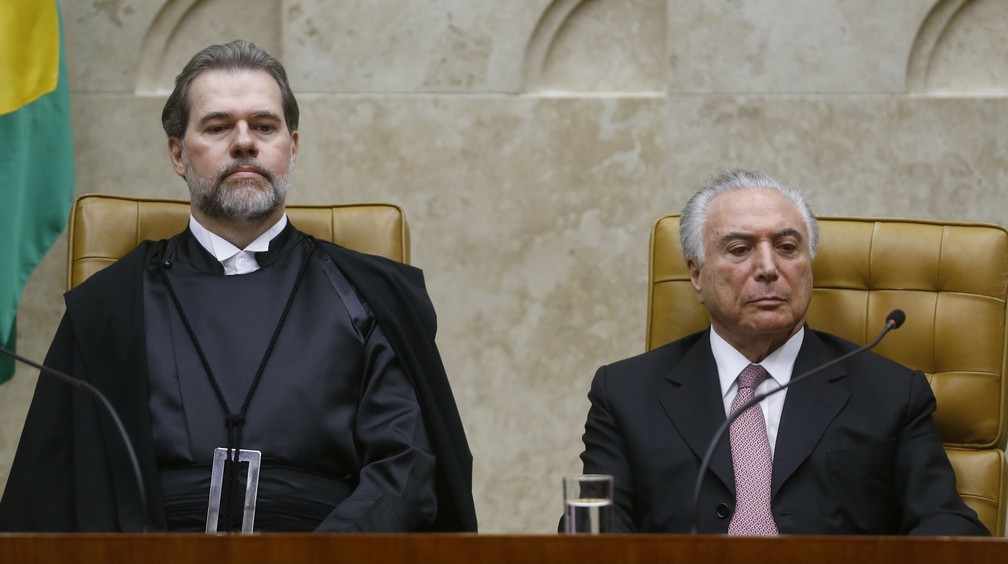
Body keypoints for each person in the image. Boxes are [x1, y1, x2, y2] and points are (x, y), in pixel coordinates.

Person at [0, 40, 477, 533]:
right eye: (218, 126)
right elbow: (51, 489)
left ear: (292, 148)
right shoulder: (110, 305)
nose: (245, 141)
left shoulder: (369, 296)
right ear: (178, 154)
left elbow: (407, 470)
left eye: (264, 126)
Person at [574, 169, 988, 535]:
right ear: (697, 275)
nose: (769, 267)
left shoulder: (892, 392)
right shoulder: (625, 394)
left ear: (808, 264)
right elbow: (597, 528)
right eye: (740, 249)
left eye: (788, 247)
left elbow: (947, 524)